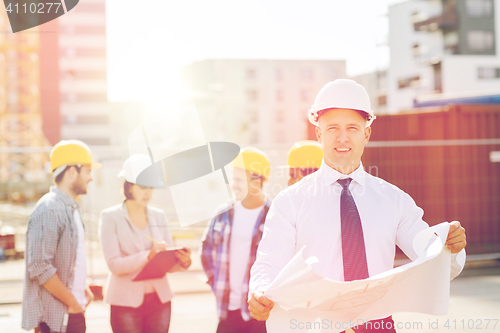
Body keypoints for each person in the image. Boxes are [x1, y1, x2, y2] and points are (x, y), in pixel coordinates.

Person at [248, 79, 467, 332]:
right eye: (332, 128)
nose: (342, 138)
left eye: (352, 127)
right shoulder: (290, 202)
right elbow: (269, 261)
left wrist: (449, 246)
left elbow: (430, 255)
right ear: (318, 133)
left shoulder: (393, 200)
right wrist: (260, 290)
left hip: (379, 327)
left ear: (367, 133)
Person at [99, 154, 192, 333]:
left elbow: (167, 264)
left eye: (151, 187)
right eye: (142, 186)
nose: (148, 192)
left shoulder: (159, 215)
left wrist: (181, 262)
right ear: (128, 186)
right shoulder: (110, 217)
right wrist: (148, 255)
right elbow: (114, 265)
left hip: (160, 301)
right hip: (125, 302)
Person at [22, 140, 99, 333]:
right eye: (88, 171)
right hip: (56, 318)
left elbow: (69, 259)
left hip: (70, 311)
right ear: (72, 171)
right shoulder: (50, 209)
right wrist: (72, 302)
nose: (91, 178)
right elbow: (39, 266)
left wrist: (82, 289)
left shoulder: (69, 208)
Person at [201, 147, 272, 333]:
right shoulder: (222, 214)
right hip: (227, 313)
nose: (233, 185)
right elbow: (206, 250)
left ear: (257, 181)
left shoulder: (275, 216)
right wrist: (215, 282)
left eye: (239, 180)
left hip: (261, 315)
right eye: (233, 179)